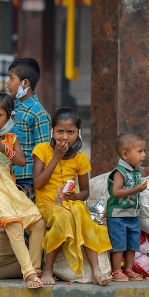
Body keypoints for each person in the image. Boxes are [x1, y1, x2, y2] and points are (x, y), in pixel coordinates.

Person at [0, 92, 46, 289]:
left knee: (38, 222)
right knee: (13, 223)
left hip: (10, 186)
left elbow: (21, 162)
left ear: (10, 118)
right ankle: (28, 274)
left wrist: (6, 150)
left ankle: (35, 268)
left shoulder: (12, 138)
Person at [32, 108, 112, 286]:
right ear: (52, 131)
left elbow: (85, 192)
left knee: (83, 214)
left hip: (70, 203)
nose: (64, 137)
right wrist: (57, 156)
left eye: (70, 132)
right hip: (46, 204)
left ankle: (96, 271)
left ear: (79, 133)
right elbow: (38, 184)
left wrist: (74, 196)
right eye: (60, 131)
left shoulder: (81, 158)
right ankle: (48, 270)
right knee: (63, 217)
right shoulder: (42, 150)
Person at [106, 131, 149, 281]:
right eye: (140, 151)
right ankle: (117, 271)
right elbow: (116, 192)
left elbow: (145, 171)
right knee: (119, 244)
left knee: (132, 244)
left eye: (144, 150)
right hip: (118, 216)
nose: (144, 155)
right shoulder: (119, 172)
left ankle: (129, 269)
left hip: (132, 215)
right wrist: (136, 189)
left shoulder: (136, 171)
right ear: (125, 155)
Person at [6, 58, 51, 202]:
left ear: (25, 83)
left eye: (11, 79)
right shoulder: (11, 107)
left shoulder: (39, 114)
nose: (7, 83)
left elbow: (43, 153)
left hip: (27, 180)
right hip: (8, 175)